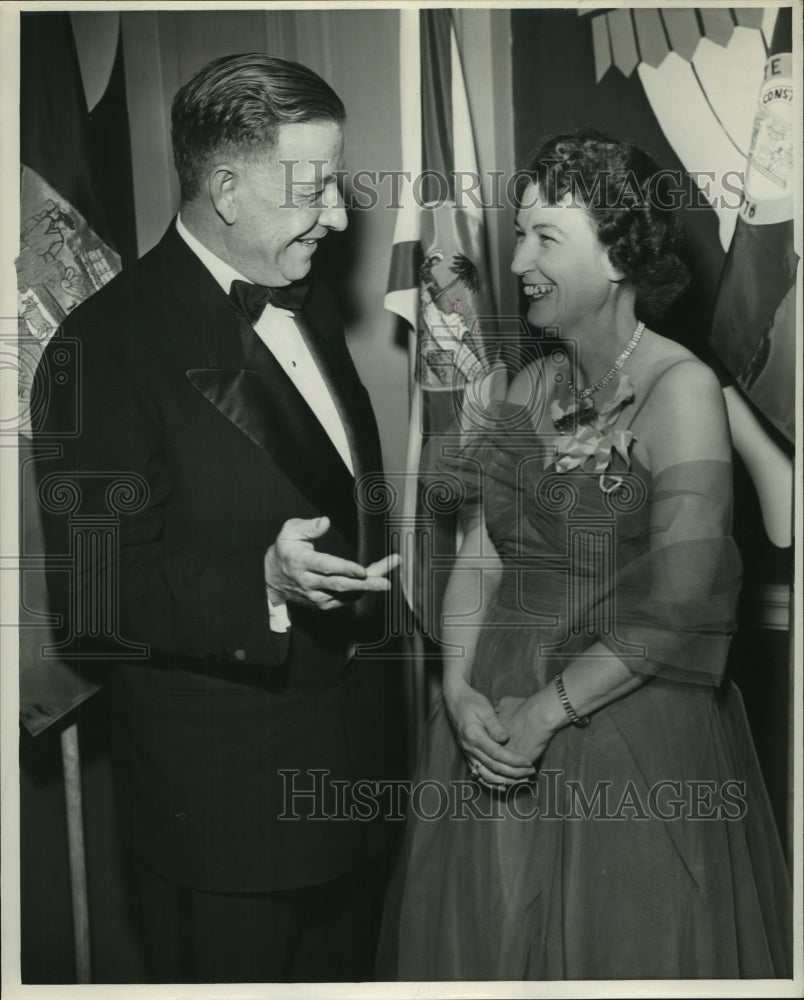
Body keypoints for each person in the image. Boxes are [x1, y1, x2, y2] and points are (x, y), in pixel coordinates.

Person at [378, 131, 792, 980]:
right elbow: (482, 557)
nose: (519, 256)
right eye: (519, 232)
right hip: (489, 722)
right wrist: (455, 689)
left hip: (625, 732)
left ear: (617, 255)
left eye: (545, 237)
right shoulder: (519, 388)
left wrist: (546, 712)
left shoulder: (682, 392)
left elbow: (683, 600)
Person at [34, 53, 405, 983]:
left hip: (357, 785)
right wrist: (260, 584)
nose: (340, 216)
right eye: (315, 189)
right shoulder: (102, 348)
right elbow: (92, 592)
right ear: (227, 189)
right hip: (231, 826)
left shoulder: (306, 302)